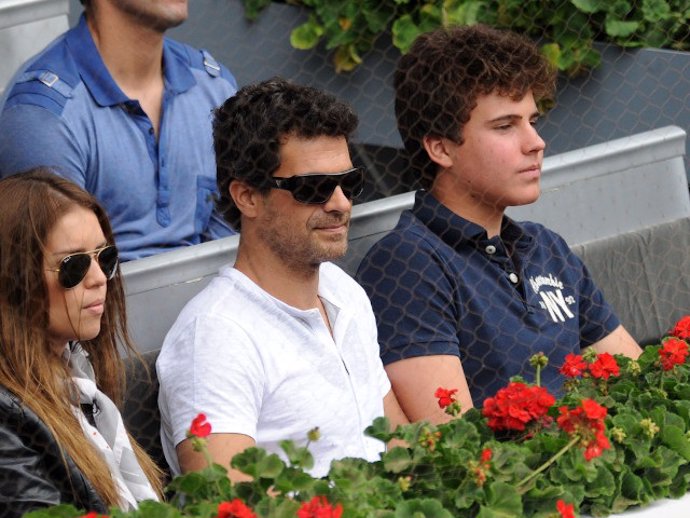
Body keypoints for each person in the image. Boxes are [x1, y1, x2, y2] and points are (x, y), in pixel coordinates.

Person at [355, 25, 643, 424]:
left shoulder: (546, 248)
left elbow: (638, 383)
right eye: (506, 126)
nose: (535, 142)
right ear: (440, 147)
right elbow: (450, 443)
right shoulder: (407, 263)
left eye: (533, 121)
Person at [157, 77, 407, 481]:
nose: (341, 203)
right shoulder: (214, 336)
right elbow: (229, 505)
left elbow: (398, 442)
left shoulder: (345, 292)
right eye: (314, 188)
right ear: (248, 197)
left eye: (350, 182)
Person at [0, 0, 237, 262]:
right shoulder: (43, 115)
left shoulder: (214, 88)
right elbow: (63, 281)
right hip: (104, 299)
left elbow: (232, 249)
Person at [0, 168, 163, 516]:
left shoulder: (80, 379)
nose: (99, 278)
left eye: (105, 258)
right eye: (73, 266)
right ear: (13, 279)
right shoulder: (6, 417)